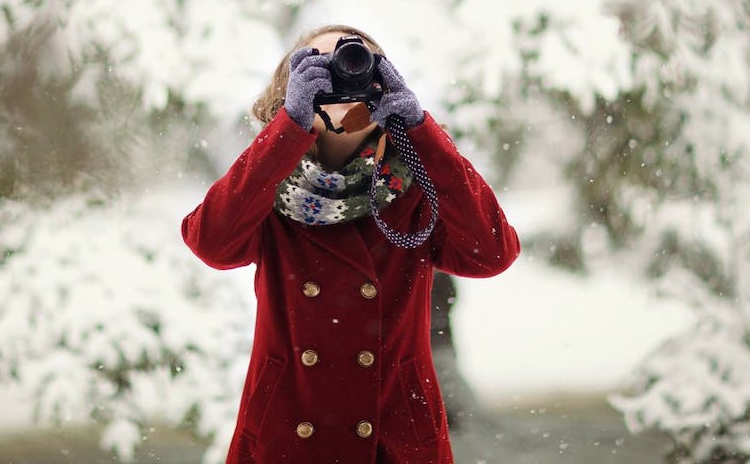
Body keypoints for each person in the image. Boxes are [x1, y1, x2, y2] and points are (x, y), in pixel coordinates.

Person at [182, 24, 520, 464]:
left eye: (354, 60)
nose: (338, 75)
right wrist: (290, 127)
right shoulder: (264, 183)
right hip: (287, 435)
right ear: (288, 89)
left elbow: (493, 253)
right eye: (316, 66)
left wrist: (419, 127)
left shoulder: (416, 183)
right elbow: (211, 243)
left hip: (393, 437)